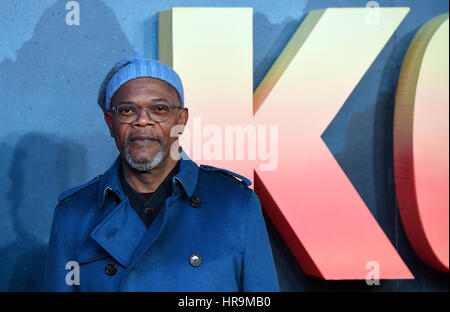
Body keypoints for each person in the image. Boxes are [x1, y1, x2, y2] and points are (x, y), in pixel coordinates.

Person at [44, 56, 279, 291]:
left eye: (159, 109)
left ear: (181, 119)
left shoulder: (235, 204)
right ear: (110, 122)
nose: (143, 121)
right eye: (127, 110)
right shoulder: (72, 215)